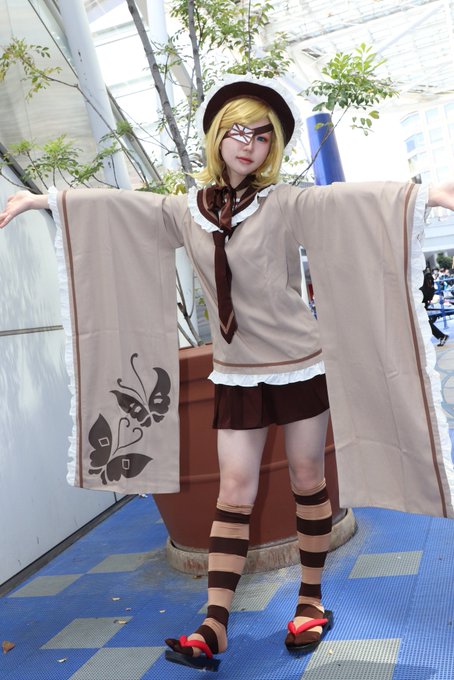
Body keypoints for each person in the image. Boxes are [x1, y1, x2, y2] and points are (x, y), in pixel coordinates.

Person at [1, 75, 454, 672]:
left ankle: (311, 601)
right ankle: (213, 624)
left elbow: (348, 204)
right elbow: (120, 211)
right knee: (233, 492)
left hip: (298, 365)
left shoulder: (284, 203)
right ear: (218, 136)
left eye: (262, 136)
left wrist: (427, 195)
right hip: (237, 372)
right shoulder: (186, 211)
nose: (249, 144)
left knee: (307, 479)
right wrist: (46, 201)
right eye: (238, 131)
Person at [420, 271, 449, 346]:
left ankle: (441, 336)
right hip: (423, 306)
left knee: (426, 324)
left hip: (420, 307)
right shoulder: (431, 289)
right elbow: (429, 299)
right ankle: (441, 336)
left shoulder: (422, 288)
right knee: (426, 323)